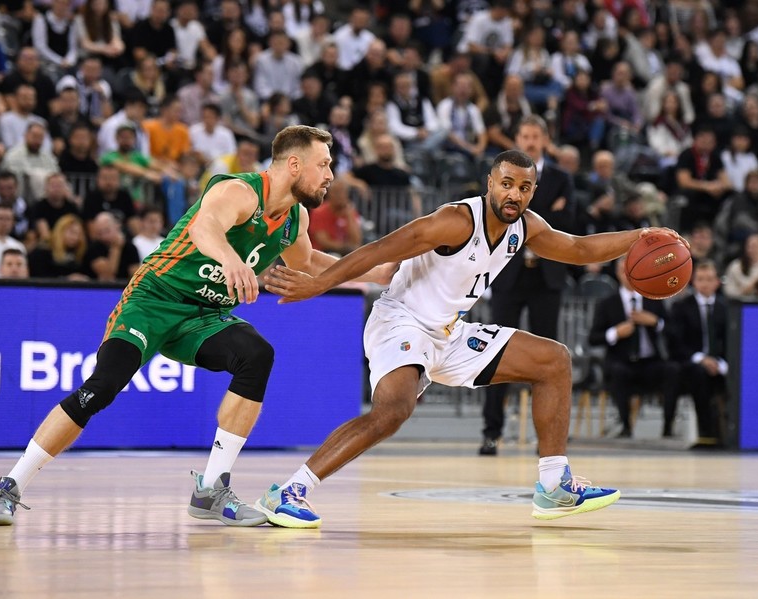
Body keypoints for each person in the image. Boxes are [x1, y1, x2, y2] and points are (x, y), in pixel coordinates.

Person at [0, 125, 393, 527]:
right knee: (101, 387)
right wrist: (230, 259)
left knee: (257, 354)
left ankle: (210, 490)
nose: (331, 175)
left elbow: (306, 262)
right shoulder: (239, 191)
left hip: (202, 315)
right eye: (324, 164)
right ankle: (8, 486)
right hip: (153, 300)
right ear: (295, 165)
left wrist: (376, 273)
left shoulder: (293, 220)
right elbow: (203, 226)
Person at [258, 150, 684, 528]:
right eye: (506, 185)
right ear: (490, 184)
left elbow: (576, 248)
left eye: (524, 187)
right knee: (393, 411)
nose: (514, 195)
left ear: (533, 191)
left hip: (450, 333)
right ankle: (290, 491)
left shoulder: (527, 227)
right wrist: (320, 284)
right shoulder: (455, 220)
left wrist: (639, 237)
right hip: (401, 321)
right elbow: (380, 250)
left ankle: (554, 487)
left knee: (553, 360)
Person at [481, 115, 574, 455]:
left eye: (536, 136)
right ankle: (491, 433)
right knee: (494, 356)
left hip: (547, 279)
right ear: (516, 139)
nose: (530, 141)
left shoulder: (563, 178)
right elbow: (504, 216)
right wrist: (547, 212)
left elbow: (566, 224)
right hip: (509, 276)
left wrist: (534, 216)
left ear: (545, 141)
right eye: (525, 136)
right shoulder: (506, 178)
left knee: (547, 360)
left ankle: (546, 440)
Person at [588, 256, 681, 439]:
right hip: (621, 361)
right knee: (617, 372)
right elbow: (593, 338)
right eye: (624, 270)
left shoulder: (653, 299)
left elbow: (673, 331)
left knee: (673, 370)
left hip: (649, 362)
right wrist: (615, 333)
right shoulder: (607, 303)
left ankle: (668, 427)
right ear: (617, 273)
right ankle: (625, 427)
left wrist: (655, 322)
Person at [668, 261, 728, 447]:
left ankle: (730, 433)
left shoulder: (726, 309)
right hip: (691, 363)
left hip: (722, 364)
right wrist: (702, 359)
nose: (705, 284)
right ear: (694, 282)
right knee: (699, 375)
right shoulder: (681, 307)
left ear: (717, 282)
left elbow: (731, 342)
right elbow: (676, 343)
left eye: (709, 279)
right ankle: (706, 434)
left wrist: (722, 364)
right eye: (701, 279)